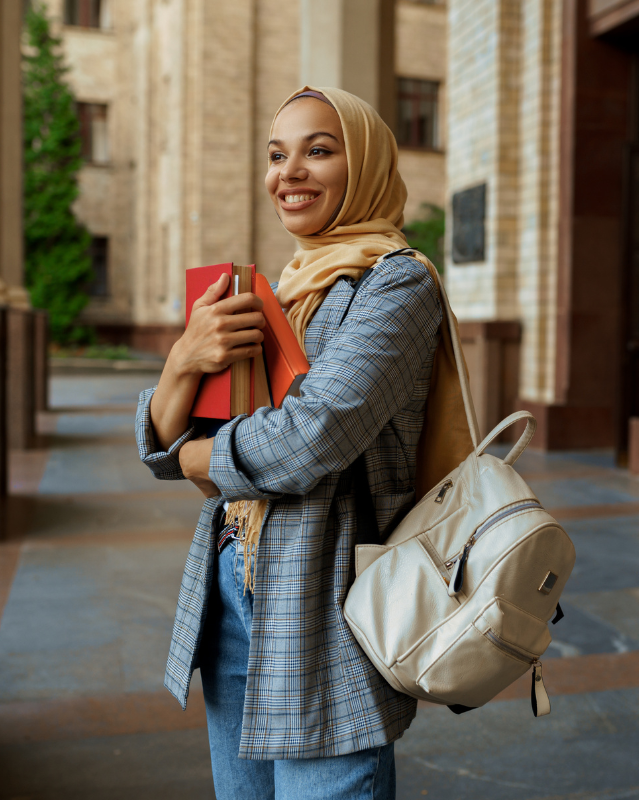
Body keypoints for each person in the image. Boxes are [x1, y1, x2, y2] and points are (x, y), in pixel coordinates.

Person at [135, 86, 471, 800]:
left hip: (325, 606)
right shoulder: (279, 291)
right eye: (277, 154)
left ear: (368, 165)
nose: (289, 172)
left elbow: (309, 438)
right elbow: (176, 430)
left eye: (319, 150)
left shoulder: (398, 285)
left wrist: (196, 459)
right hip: (233, 589)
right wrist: (182, 360)